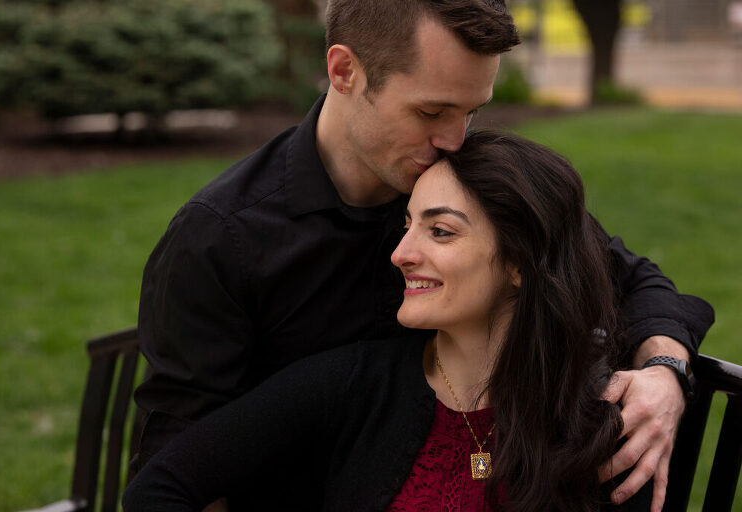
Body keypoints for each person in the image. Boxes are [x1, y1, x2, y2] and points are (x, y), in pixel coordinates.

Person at [132, 0, 713, 508]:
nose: (454, 141)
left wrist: (664, 371)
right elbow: (177, 460)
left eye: (472, 111)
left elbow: (626, 278)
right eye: (431, 112)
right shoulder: (223, 237)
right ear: (344, 71)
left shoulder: (463, 183)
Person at [125, 131, 656, 511]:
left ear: (519, 264)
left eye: (440, 232)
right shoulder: (352, 383)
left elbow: (646, 284)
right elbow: (161, 483)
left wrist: (666, 368)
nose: (400, 253)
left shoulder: (600, 417)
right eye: (407, 226)